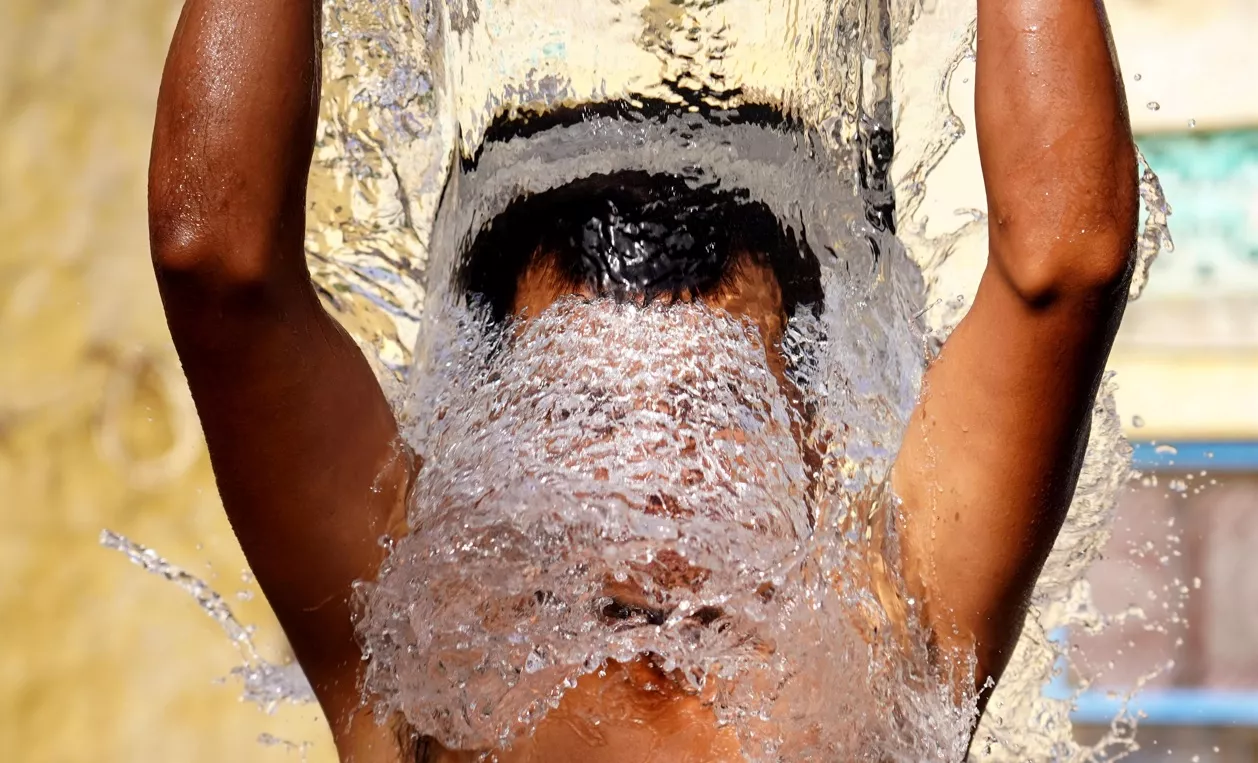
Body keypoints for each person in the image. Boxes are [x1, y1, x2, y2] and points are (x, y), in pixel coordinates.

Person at [146, 0, 1138, 760]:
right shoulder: (417, 631)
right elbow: (213, 259)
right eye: (582, 410)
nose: (650, 475)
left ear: (812, 435)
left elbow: (1064, 264)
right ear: (485, 431)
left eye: (712, 404)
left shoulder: (889, 624)